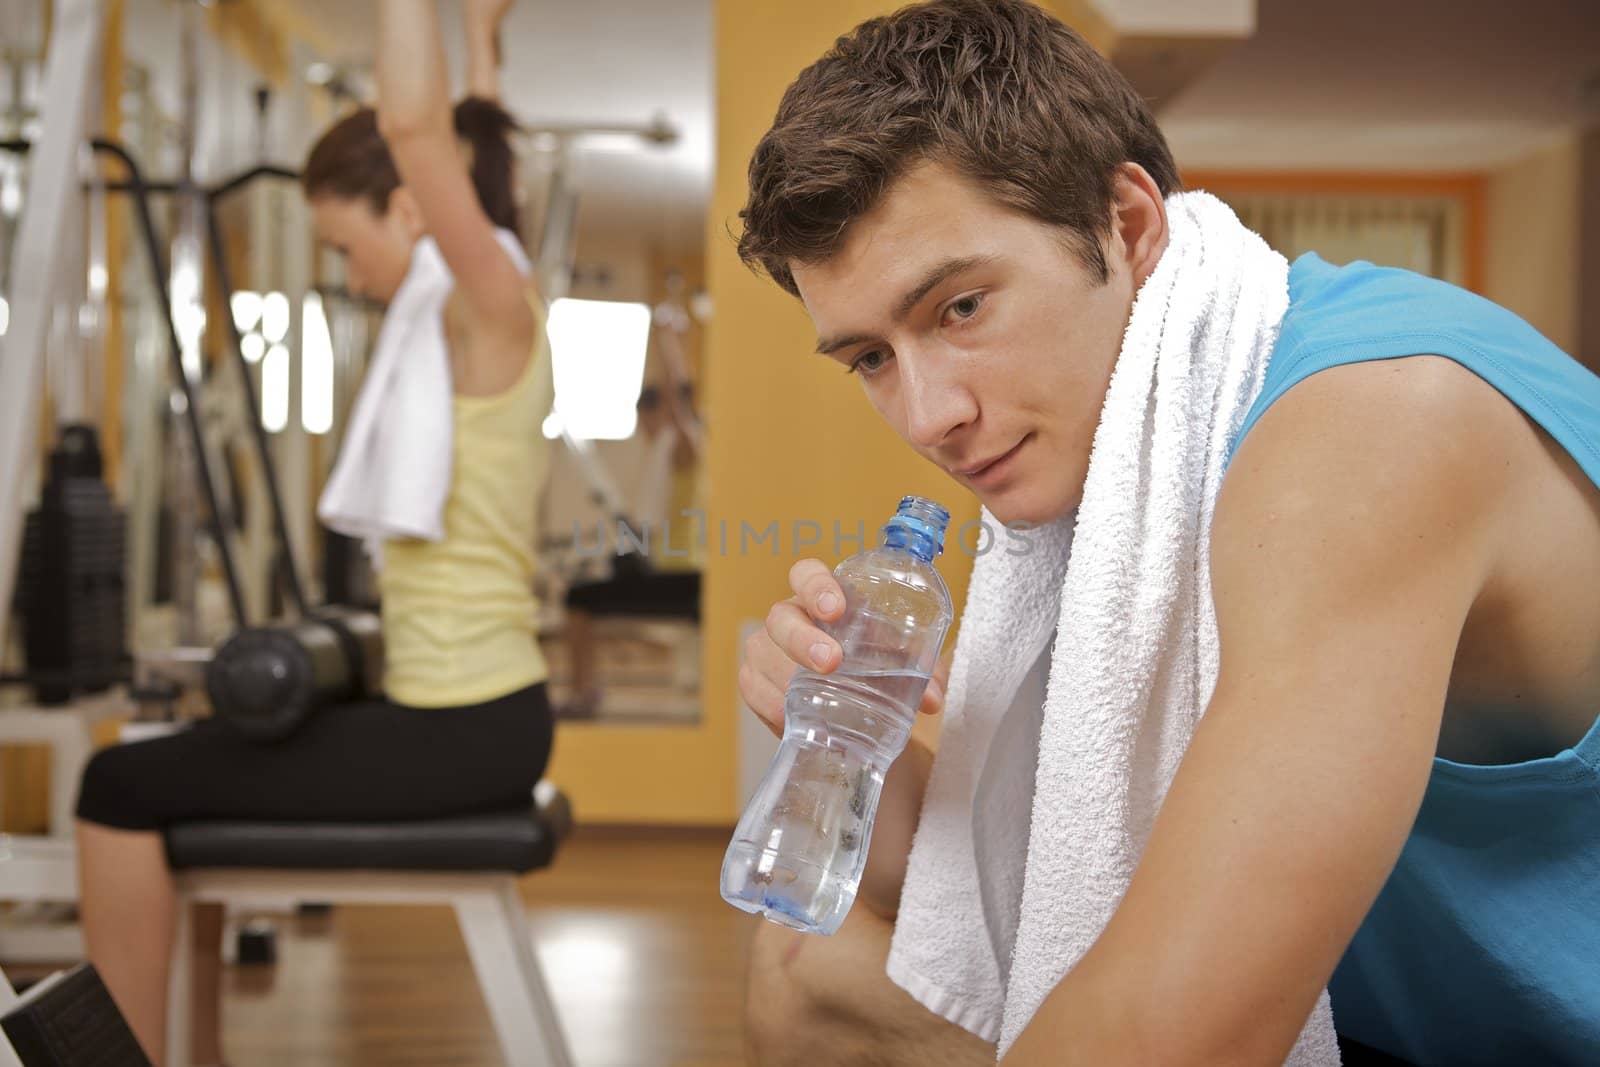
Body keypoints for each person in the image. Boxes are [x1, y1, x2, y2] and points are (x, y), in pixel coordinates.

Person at [734, 2, 1600, 1065]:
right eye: (870, 357)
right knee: (806, 966)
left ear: (1130, 226)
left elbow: (1181, 1038)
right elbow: (985, 884)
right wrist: (842, 736)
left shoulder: (1374, 424)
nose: (927, 417)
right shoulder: (1123, 444)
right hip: (1388, 1012)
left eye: (959, 307)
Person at [71, 2, 555, 1062]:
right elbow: (474, 134)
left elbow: (429, 136)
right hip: (463, 710)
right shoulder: (477, 305)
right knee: (168, 762)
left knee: (117, 782)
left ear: (412, 208)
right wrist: (481, 40)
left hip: (467, 724)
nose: (347, 271)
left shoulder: (488, 305)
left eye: (345, 242)